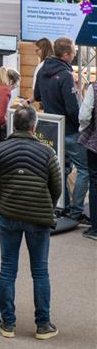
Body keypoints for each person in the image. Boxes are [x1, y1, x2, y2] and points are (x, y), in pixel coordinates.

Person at [0, 105, 61, 338]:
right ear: (34, 126)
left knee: (7, 269)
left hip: (9, 215)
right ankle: (43, 324)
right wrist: (47, 204)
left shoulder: (0, 150)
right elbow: (56, 186)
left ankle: (8, 324)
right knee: (40, 271)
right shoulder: (47, 153)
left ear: (12, 124)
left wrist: (0, 202)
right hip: (38, 217)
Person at [35, 37, 89, 222]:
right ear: (66, 55)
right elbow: (73, 108)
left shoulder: (43, 69)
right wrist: (82, 127)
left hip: (52, 129)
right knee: (84, 169)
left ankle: (61, 206)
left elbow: (36, 95)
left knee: (60, 169)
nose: (75, 55)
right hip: (71, 130)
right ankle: (75, 212)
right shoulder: (65, 75)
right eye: (73, 52)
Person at [77, 77, 97, 240]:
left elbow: (84, 115)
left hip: (95, 143)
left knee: (95, 183)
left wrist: (84, 129)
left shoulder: (94, 87)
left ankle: (96, 228)